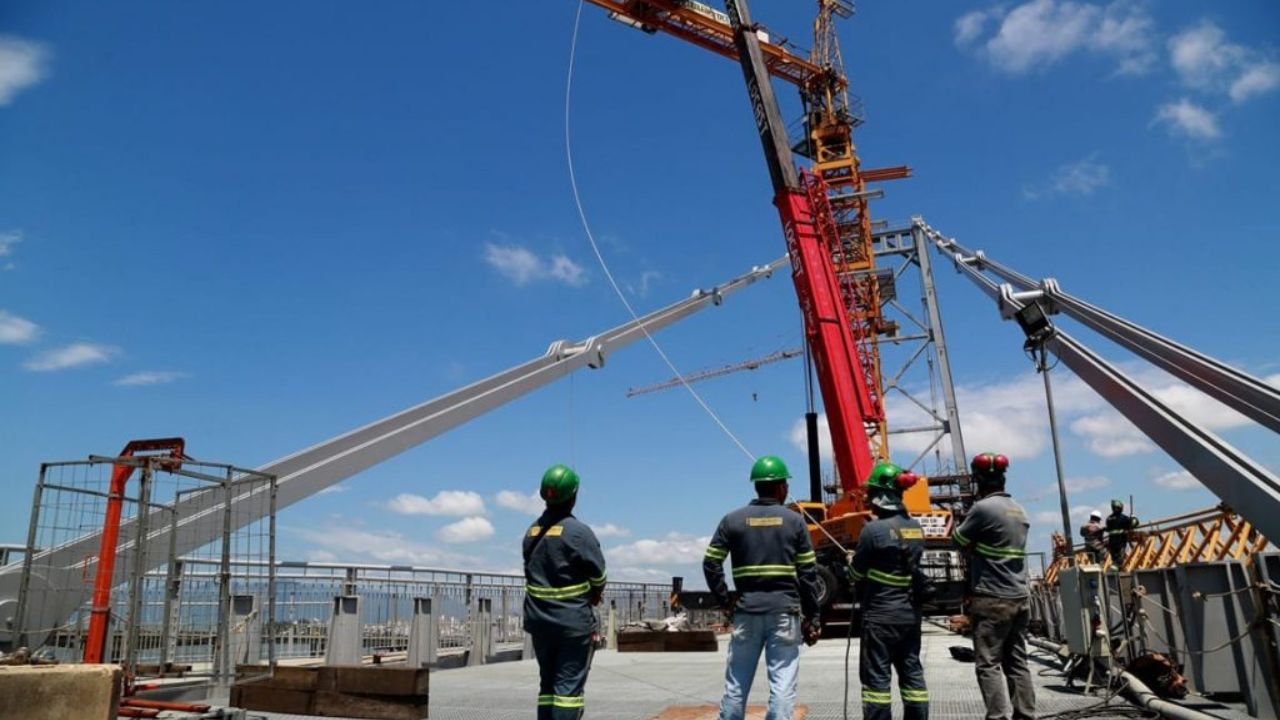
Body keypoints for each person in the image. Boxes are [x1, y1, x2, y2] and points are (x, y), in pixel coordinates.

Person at [704, 455, 823, 720]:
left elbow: (711, 563)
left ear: (756, 485)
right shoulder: (795, 521)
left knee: (736, 685)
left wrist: (726, 601)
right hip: (784, 614)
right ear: (782, 487)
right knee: (782, 686)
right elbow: (808, 575)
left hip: (746, 612)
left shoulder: (732, 520)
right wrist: (813, 618)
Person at [953, 452, 1034, 720]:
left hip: (992, 597)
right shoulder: (1019, 509)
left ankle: (997, 717)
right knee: (1018, 662)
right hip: (1019, 595)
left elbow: (958, 540)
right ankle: (1025, 715)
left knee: (988, 664)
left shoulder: (983, 508)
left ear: (978, 479)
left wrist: (963, 523)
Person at [522, 464, 607, 720]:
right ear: (574, 496)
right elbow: (599, 575)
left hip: (539, 620)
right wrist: (595, 593)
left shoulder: (532, 531)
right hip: (572, 623)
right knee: (568, 689)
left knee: (547, 685)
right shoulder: (578, 532)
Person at [849, 462, 931, 720]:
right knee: (912, 675)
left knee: (877, 682)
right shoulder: (916, 528)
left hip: (880, 618)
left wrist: (851, 562)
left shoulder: (872, 530)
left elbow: (856, 575)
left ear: (880, 496)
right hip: (910, 616)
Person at [1105, 499, 1139, 567]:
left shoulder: (1109, 518)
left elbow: (1108, 528)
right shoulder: (1123, 518)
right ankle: (1116, 569)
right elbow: (1134, 523)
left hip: (1111, 542)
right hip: (1120, 541)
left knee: (1114, 559)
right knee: (1119, 560)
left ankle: (1115, 568)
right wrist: (1133, 517)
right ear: (1120, 508)